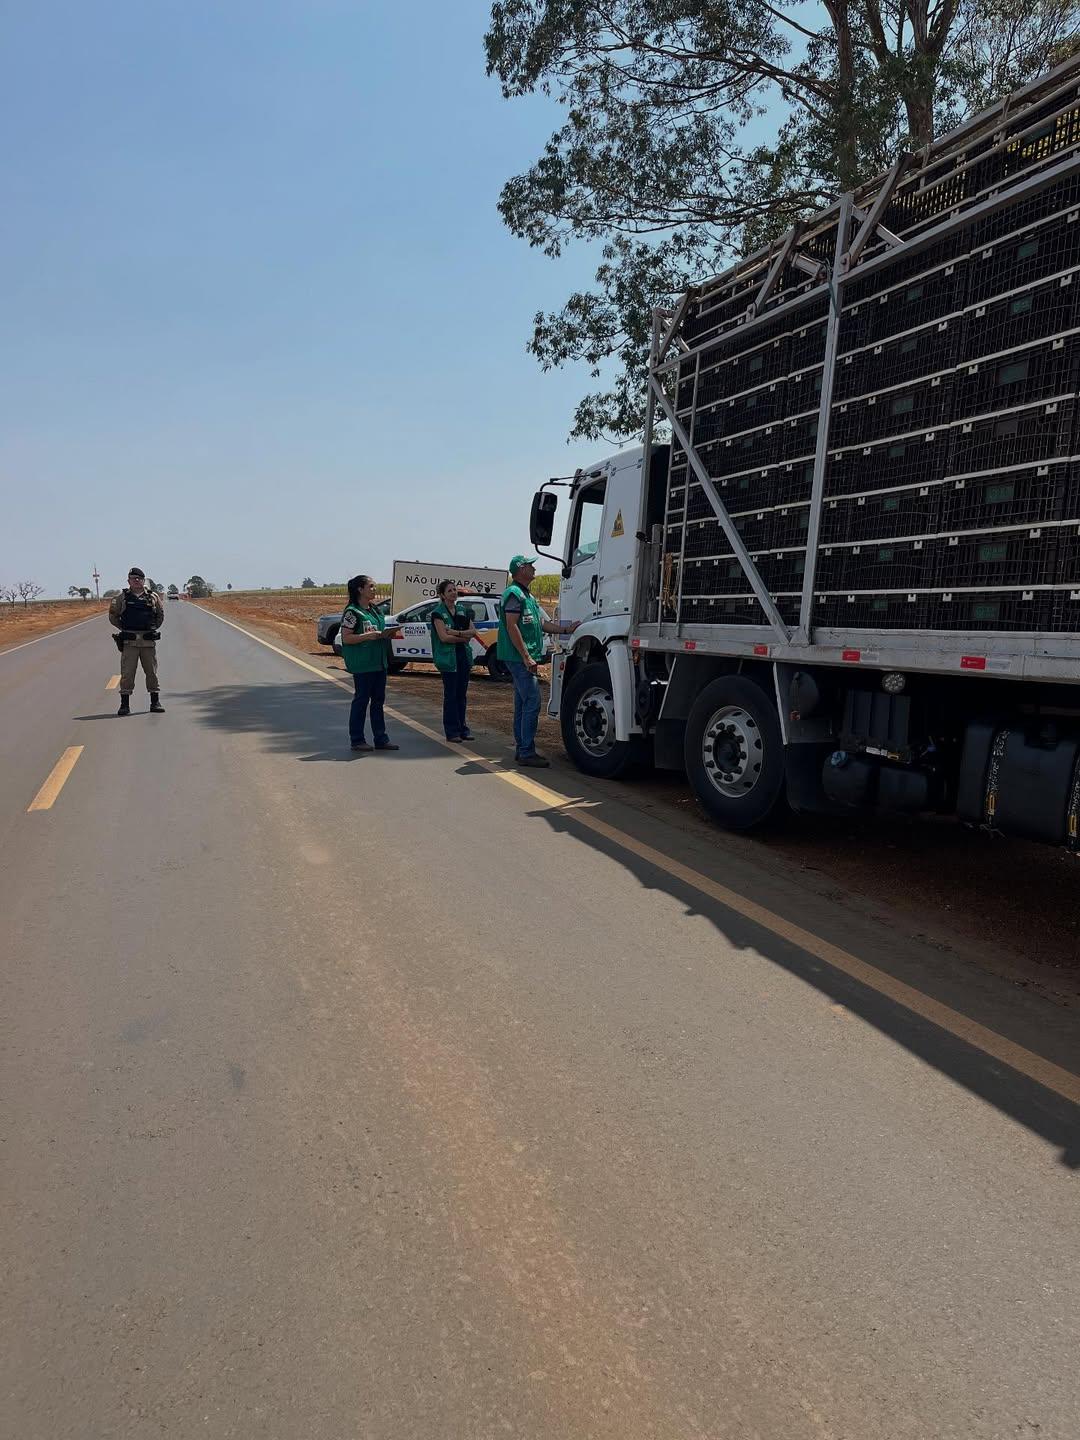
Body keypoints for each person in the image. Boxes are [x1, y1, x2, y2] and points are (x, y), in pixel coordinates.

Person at [496, 555, 578, 767]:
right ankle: (526, 751)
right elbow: (512, 626)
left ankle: (522, 749)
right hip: (518, 657)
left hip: (522, 657)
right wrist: (526, 656)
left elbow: (541, 623)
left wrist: (565, 630)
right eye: (530, 565)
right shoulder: (514, 594)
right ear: (521, 569)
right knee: (532, 702)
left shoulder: (527, 596)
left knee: (523, 703)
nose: (534, 568)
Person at [339, 574, 402, 752]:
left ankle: (381, 739)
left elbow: (379, 630)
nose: (375, 589)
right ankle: (357, 740)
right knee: (361, 701)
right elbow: (346, 638)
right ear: (360, 589)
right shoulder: (352, 612)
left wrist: (387, 634)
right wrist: (368, 636)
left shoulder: (374, 609)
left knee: (378, 702)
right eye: (371, 586)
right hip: (363, 664)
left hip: (379, 662)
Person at [109, 567, 165, 715]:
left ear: (143, 580)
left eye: (139, 578)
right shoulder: (121, 598)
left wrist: (151, 628)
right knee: (127, 674)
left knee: (152, 673)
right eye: (133, 579)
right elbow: (113, 617)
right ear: (128, 581)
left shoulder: (153, 597)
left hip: (147, 642)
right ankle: (124, 705)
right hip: (130, 642)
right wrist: (125, 629)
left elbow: (160, 615)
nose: (137, 581)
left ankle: (155, 702)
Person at [429, 580, 481, 742]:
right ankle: (452, 731)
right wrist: (462, 637)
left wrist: (455, 633)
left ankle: (463, 728)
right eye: (450, 590)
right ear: (442, 595)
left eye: (454, 590)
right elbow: (444, 637)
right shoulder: (437, 613)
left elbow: (473, 632)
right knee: (450, 695)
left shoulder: (462, 611)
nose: (453, 593)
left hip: (463, 656)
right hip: (448, 658)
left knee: (461, 695)